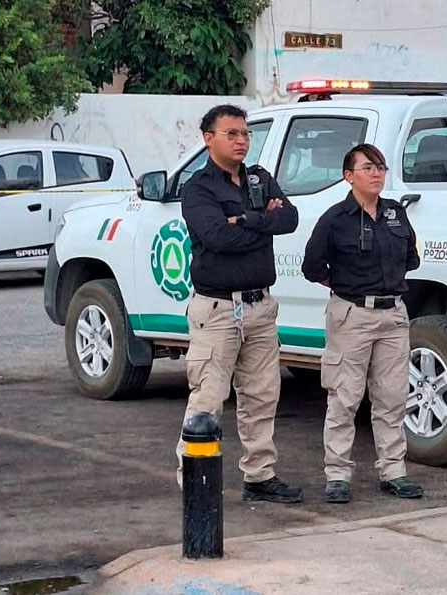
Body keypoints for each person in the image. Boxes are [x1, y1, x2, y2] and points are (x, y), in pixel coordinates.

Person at [177, 104, 302, 503]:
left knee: (262, 396)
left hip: (260, 308)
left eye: (245, 133)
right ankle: (194, 482)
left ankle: (259, 475)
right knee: (208, 398)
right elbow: (217, 237)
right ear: (208, 138)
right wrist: (261, 220)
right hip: (217, 310)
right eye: (231, 133)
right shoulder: (198, 188)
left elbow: (290, 220)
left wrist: (244, 220)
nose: (241, 140)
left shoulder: (259, 179)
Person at [302, 143, 423, 503]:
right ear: (348, 176)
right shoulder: (335, 219)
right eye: (368, 167)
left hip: (393, 315)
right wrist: (345, 285)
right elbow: (312, 266)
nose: (376, 174)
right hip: (352, 314)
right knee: (345, 397)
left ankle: (394, 471)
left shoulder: (396, 213)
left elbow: (411, 259)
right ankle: (337, 474)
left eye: (381, 168)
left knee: (392, 396)